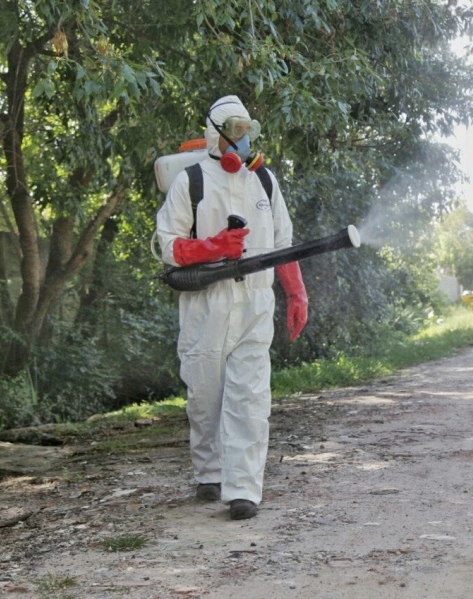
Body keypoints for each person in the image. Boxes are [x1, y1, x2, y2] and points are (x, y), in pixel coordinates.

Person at [156, 96, 308, 520]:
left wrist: (296, 293)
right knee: (206, 395)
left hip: (256, 302)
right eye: (236, 132)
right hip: (207, 303)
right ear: (216, 134)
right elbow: (167, 245)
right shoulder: (192, 182)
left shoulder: (265, 182)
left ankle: (243, 489)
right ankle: (210, 471)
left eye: (248, 133)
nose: (243, 142)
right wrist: (212, 247)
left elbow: (283, 243)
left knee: (250, 396)